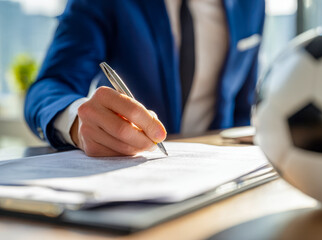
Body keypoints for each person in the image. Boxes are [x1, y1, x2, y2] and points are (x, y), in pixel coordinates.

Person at [24, 0, 265, 156]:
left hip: (225, 175)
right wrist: (77, 120)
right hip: (129, 172)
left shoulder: (252, 5)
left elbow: (243, 108)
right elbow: (50, 85)